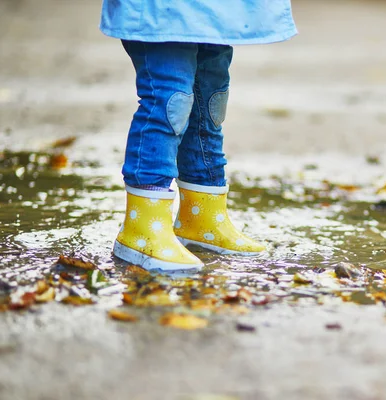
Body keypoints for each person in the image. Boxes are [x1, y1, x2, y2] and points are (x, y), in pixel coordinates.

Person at [100, 1, 297, 271]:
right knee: (169, 100)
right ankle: (142, 227)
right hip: (164, 12)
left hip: (219, 10)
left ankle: (202, 219)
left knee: (210, 100)